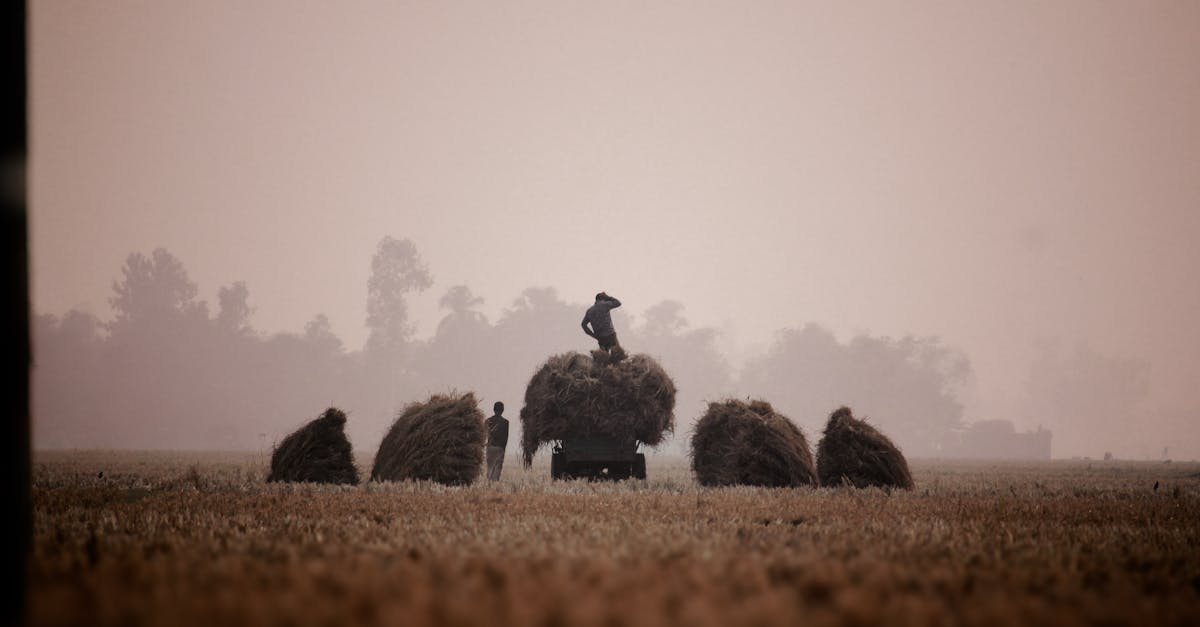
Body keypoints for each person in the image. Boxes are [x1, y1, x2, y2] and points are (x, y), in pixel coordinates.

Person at [485, 401, 509, 481]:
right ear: (502, 410)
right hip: (500, 448)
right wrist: (503, 449)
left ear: (494, 409)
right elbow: (506, 437)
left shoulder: (488, 421)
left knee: (490, 467)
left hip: (490, 448)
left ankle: (489, 485)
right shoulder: (505, 422)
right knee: (497, 468)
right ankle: (494, 486)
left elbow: (484, 434)